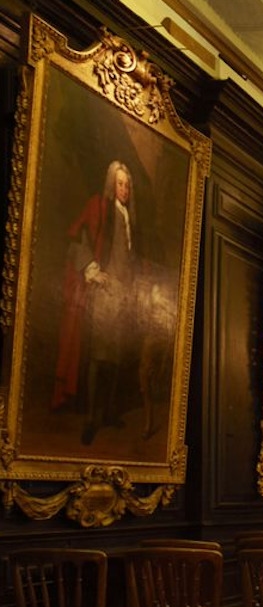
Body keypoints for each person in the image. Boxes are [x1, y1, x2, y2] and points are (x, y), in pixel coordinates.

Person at [53, 160, 142, 445]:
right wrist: (92, 269)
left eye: (127, 185)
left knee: (115, 359)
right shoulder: (99, 207)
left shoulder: (130, 218)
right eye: (120, 183)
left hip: (123, 295)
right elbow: (78, 237)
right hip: (104, 293)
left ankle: (106, 414)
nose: (124, 189)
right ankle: (91, 419)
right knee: (98, 358)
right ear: (111, 184)